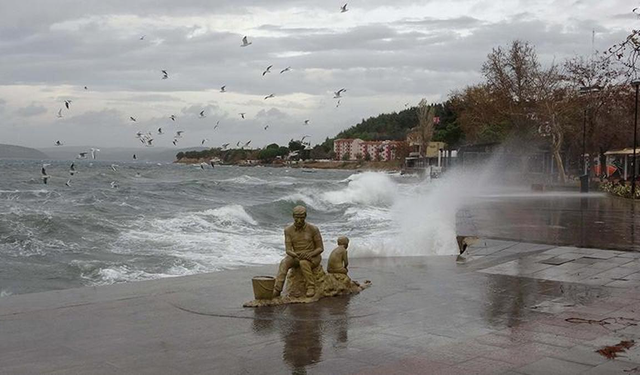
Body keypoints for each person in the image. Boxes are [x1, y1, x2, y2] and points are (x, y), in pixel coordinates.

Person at [273, 206, 324, 297]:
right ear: (293, 216)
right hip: (296, 256)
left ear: (305, 216)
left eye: (301, 217)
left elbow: (320, 248)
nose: (299, 220)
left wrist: (310, 254)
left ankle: (311, 287)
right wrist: (296, 255)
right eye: (297, 217)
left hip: (313, 256)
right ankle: (277, 289)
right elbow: (288, 250)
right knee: (284, 262)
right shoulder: (288, 230)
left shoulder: (313, 229)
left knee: (304, 263)